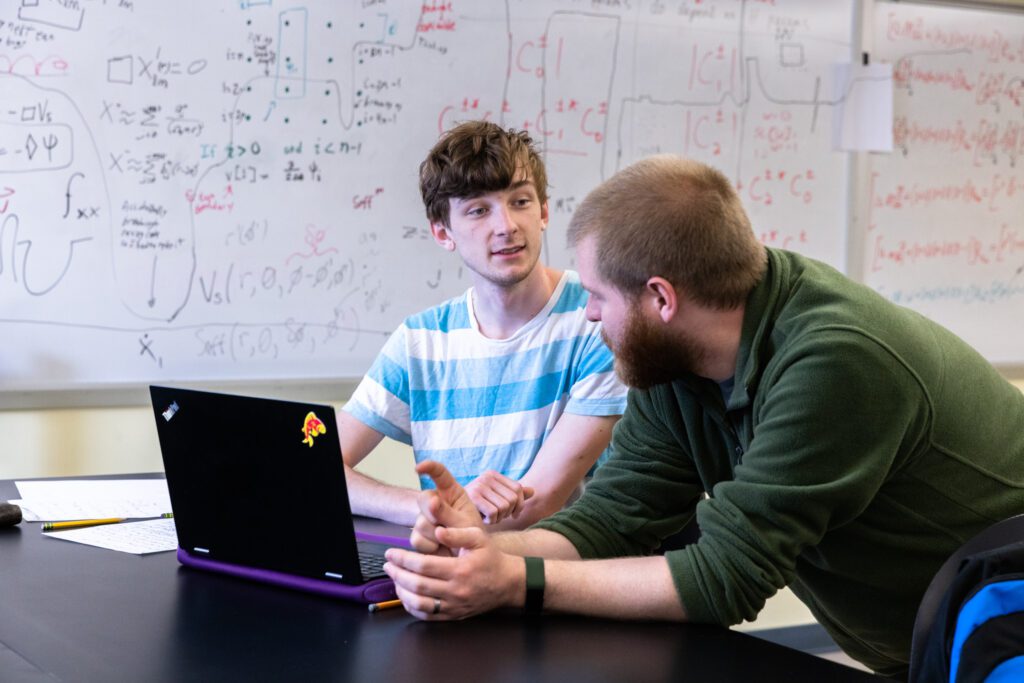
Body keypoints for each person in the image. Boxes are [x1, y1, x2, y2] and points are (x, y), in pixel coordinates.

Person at [381, 155, 1024, 678]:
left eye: (599, 296)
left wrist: (514, 581)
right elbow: (612, 519)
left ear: (660, 297)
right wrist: (487, 550)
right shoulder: (672, 360)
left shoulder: (836, 361)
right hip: (936, 640)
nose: (589, 315)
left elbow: (726, 576)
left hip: (1007, 627)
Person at [339, 121, 627, 530]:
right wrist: (427, 506)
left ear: (543, 212)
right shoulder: (420, 342)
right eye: (478, 210)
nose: (507, 225)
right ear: (443, 232)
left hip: (556, 577)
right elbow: (314, 462)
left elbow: (537, 502)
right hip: (450, 565)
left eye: (521, 202)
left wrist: (446, 517)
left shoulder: (598, 318)